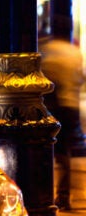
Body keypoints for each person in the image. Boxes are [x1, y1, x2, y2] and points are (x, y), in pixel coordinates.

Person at [40, 36, 84, 211]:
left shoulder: (48, 49)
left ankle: (45, 193)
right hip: (70, 105)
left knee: (45, 149)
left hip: (52, 105)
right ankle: (64, 195)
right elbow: (80, 78)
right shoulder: (74, 52)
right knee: (64, 151)